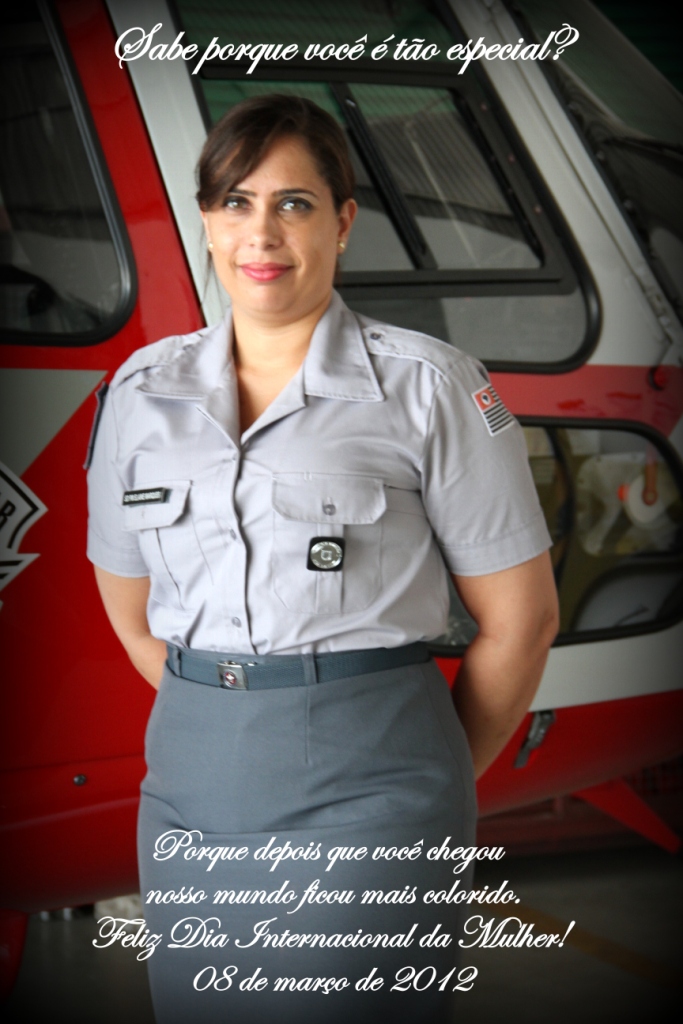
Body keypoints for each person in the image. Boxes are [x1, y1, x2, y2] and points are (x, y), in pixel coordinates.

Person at [87, 94, 558, 1024]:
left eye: (293, 203)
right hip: (185, 783)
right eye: (236, 202)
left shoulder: (430, 386)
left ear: (342, 221)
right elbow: (133, 615)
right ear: (206, 221)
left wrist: (423, 775)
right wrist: (236, 710)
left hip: (373, 783)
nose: (261, 233)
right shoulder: (140, 393)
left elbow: (522, 621)